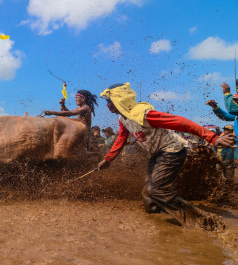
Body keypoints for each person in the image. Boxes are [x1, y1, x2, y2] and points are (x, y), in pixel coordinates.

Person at [97, 83, 235, 230]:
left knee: (158, 190)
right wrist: (108, 159)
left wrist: (213, 138)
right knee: (148, 194)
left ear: (120, 100)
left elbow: (180, 122)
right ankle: (159, 222)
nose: (107, 105)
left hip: (172, 151)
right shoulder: (123, 119)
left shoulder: (144, 114)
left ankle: (203, 222)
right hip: (156, 154)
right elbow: (121, 139)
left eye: (110, 101)